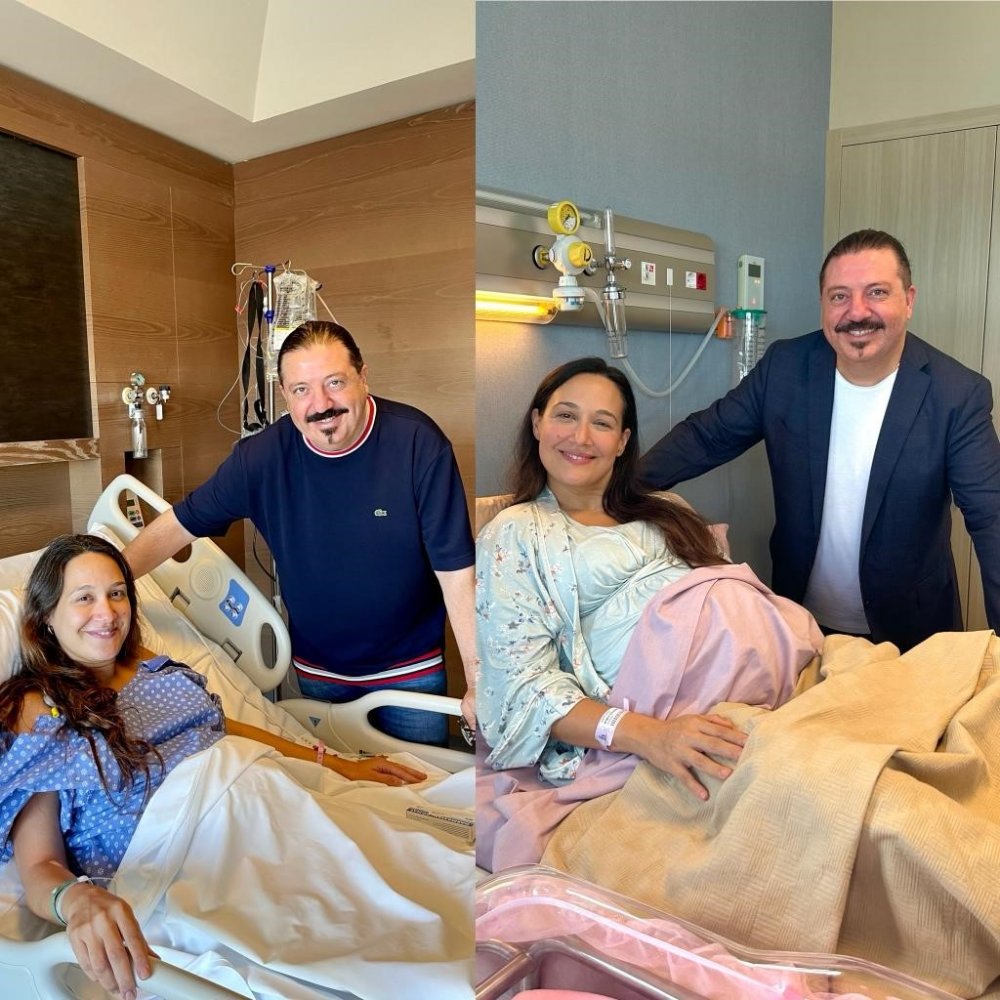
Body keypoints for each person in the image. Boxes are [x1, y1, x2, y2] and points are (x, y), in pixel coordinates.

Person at [0, 534, 424, 1000]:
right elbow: (39, 863)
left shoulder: (145, 663)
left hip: (270, 806)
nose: (107, 612)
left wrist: (333, 762)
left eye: (117, 593)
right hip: (194, 861)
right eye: (84, 598)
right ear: (46, 616)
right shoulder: (39, 707)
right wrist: (74, 900)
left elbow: (223, 726)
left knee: (406, 882)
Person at [477, 358, 819, 813]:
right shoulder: (516, 531)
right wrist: (654, 736)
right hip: (681, 725)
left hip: (790, 682)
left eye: (602, 423)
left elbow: (731, 600)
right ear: (538, 423)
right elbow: (524, 688)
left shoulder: (668, 509)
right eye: (566, 415)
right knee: (846, 801)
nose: (581, 437)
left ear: (622, 442)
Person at [641, 229, 1000, 651]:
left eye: (877, 292)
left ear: (909, 300)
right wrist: (614, 490)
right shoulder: (785, 368)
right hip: (802, 625)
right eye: (839, 296)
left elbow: (991, 518)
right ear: (823, 305)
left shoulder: (956, 394)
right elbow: (707, 436)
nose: (857, 312)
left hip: (911, 634)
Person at [123, 320, 477, 744]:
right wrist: (109, 583)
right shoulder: (261, 459)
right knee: (336, 782)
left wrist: (479, 682)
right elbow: (177, 526)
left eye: (335, 382)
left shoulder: (417, 444)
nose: (320, 404)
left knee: (424, 782)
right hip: (318, 673)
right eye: (301, 389)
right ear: (284, 394)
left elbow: (456, 573)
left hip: (411, 671)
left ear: (363, 377)